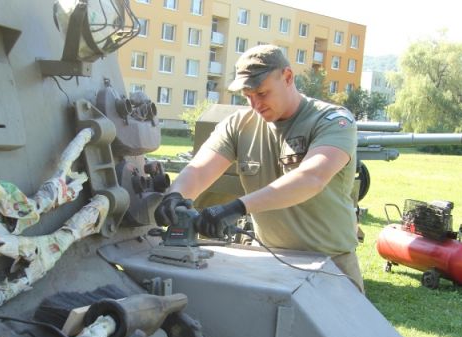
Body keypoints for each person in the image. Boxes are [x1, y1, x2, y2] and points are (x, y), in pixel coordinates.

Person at [154, 44, 364, 292]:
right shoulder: (239, 125)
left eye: (262, 93)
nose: (255, 104)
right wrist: (176, 196)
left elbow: (311, 177)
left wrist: (236, 207)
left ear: (287, 77)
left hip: (330, 265)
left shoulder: (332, 121)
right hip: (269, 259)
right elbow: (199, 170)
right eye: (247, 96)